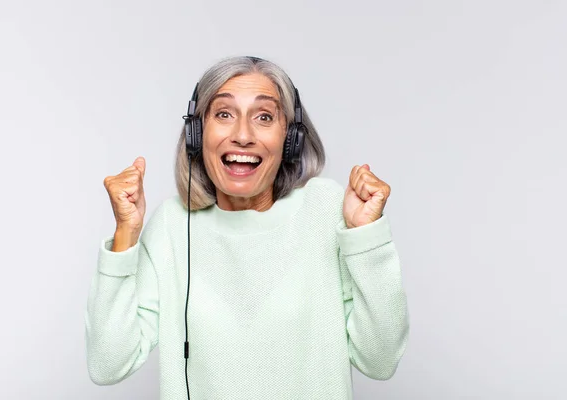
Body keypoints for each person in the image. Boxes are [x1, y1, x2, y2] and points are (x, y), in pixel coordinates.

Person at [84, 55, 410, 399]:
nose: (242, 135)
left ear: (290, 137)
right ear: (197, 133)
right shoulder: (173, 224)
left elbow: (380, 361)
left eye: (264, 117)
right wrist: (125, 235)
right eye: (224, 114)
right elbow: (108, 365)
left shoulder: (326, 210)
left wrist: (366, 238)